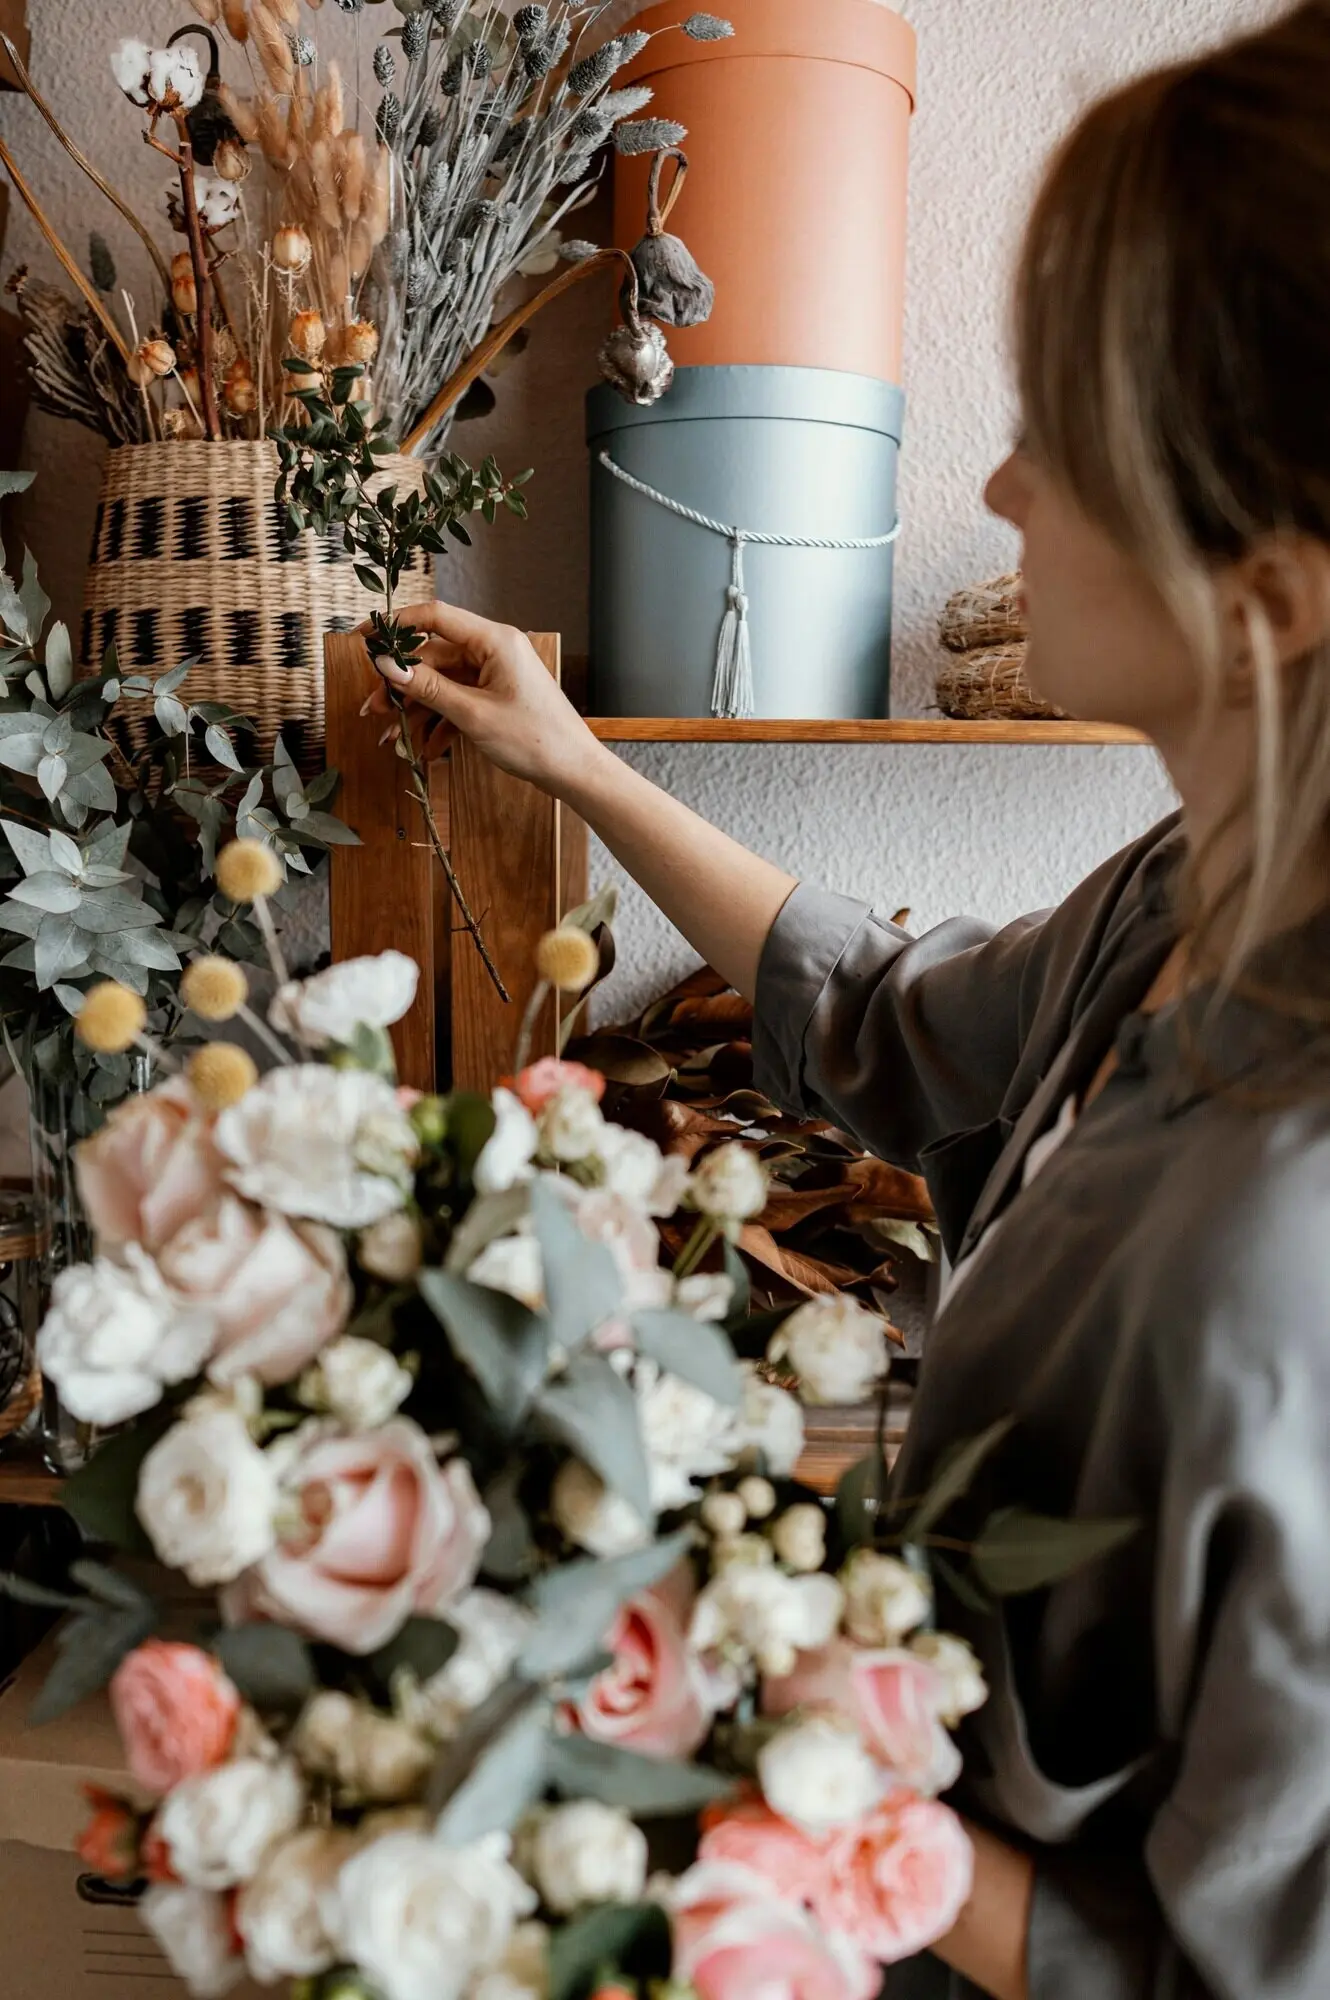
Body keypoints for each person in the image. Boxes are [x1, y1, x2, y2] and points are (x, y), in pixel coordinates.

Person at [360, 5, 1330, 1993]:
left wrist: (733, 1703)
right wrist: (577, 763)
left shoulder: (1277, 1265)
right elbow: (884, 1016)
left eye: (1059, 425)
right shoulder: (1177, 900)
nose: (991, 480)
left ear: (1268, 582)